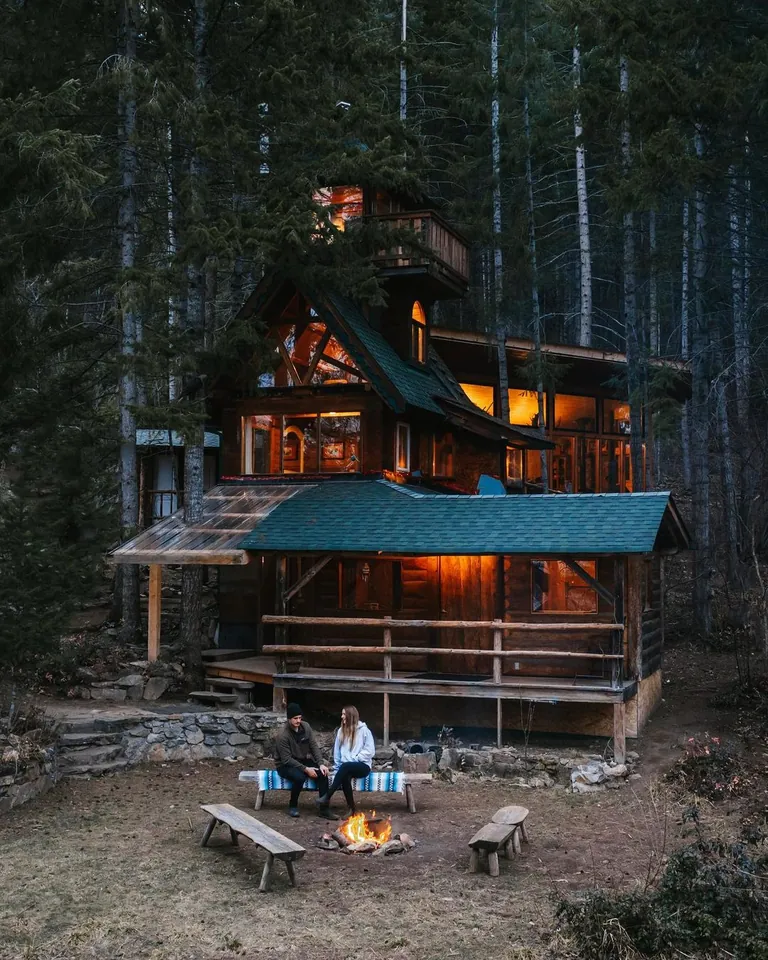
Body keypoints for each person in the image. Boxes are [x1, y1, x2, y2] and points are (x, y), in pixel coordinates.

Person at [273, 702, 332, 819]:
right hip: (285, 765)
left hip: (302, 760)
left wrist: (320, 764)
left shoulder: (306, 727)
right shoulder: (283, 735)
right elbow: (286, 759)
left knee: (323, 774)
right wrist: (306, 770)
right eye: (295, 718)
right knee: (299, 777)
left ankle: (324, 809)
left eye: (300, 717)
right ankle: (293, 805)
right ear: (289, 719)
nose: (298, 721)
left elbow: (314, 746)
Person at [319, 705, 375, 815]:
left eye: (344, 714)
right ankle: (352, 809)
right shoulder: (341, 731)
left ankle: (327, 796)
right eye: (342, 714)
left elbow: (370, 751)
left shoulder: (364, 731)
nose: (342, 716)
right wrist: (337, 768)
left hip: (362, 766)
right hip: (346, 768)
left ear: (350, 716)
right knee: (345, 775)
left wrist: (355, 758)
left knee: (345, 767)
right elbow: (337, 751)